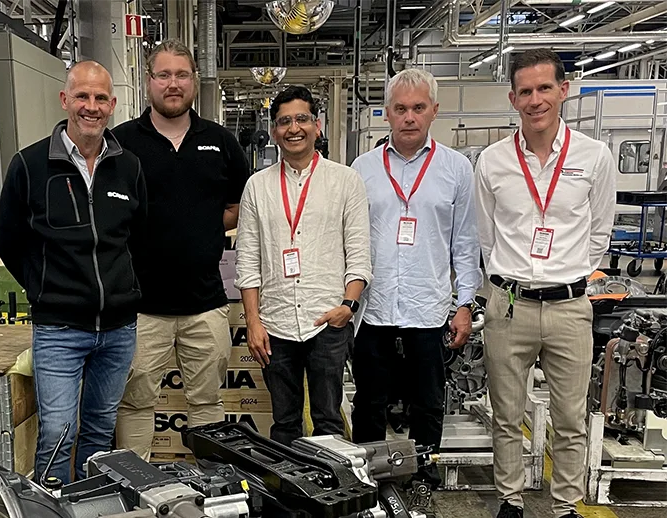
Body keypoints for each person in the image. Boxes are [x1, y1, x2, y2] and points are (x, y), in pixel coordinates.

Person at [474, 49, 616, 518]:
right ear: (513, 98)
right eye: (526, 92)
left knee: (572, 418)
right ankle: (510, 500)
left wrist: (563, 274)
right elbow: (486, 235)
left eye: (545, 88)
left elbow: (599, 234)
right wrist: (511, 278)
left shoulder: (594, 157)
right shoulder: (493, 161)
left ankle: (564, 506)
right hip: (508, 303)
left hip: (570, 306)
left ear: (564, 90)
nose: (536, 100)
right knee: (505, 414)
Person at [0, 60, 147, 484]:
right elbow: (8, 240)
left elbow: (138, 238)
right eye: (82, 96)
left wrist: (125, 290)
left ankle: (92, 507)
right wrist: (46, 287)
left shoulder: (129, 167)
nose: (91, 107)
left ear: (113, 105)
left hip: (118, 330)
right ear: (65, 100)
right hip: (59, 330)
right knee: (58, 433)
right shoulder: (29, 165)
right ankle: (51, 510)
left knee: (100, 431)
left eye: (101, 98)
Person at [111, 40, 251, 460]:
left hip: (205, 304)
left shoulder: (221, 142)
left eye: (182, 75)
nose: (173, 84)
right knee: (135, 404)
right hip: (140, 307)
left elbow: (236, 206)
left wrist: (198, 228)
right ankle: (135, 492)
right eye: (164, 75)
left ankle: (211, 493)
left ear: (194, 81)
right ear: (148, 81)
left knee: (207, 404)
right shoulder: (120, 142)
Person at [349, 68, 481, 488]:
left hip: (429, 306)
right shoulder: (362, 168)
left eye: (418, 108)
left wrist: (465, 304)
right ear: (386, 113)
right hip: (375, 305)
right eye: (401, 108)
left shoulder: (456, 169)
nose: (409, 117)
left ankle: (423, 474)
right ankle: (369, 475)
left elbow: (465, 242)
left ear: (434, 111)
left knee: (428, 402)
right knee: (370, 401)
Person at [235, 86, 372, 446]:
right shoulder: (257, 187)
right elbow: (247, 260)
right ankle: (288, 499)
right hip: (275, 325)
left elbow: (359, 253)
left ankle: (333, 498)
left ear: (317, 125)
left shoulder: (345, 181)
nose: (293, 128)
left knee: (329, 419)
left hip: (327, 320)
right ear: (275, 130)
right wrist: (253, 322)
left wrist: (348, 307)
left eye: (301, 119)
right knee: (284, 423)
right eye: (284, 122)